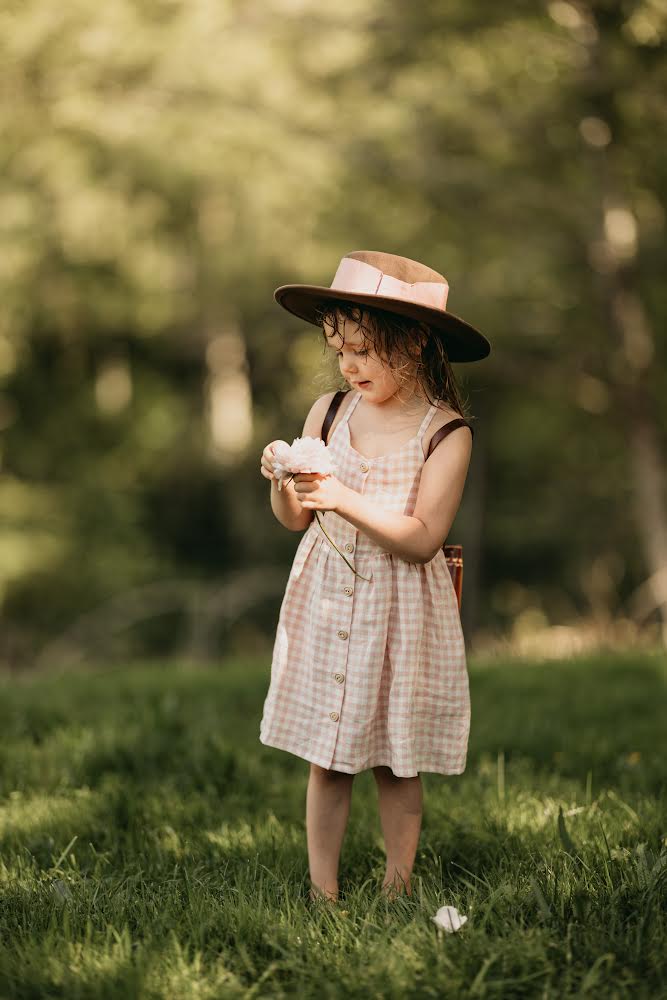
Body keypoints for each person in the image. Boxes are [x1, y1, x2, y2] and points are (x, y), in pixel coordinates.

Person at [258, 250, 491, 905]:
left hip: (400, 612)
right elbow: (294, 520)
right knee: (327, 755)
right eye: (339, 352)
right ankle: (321, 890)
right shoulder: (328, 413)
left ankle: (397, 886)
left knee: (395, 758)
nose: (349, 366)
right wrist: (285, 481)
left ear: (414, 341)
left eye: (363, 350)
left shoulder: (445, 433)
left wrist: (342, 497)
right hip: (328, 603)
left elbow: (422, 540)